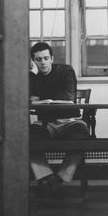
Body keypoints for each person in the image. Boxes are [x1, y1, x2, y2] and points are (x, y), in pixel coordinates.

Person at [29, 41, 89, 197]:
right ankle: (47, 177)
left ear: (52, 58)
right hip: (45, 124)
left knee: (82, 135)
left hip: (70, 121)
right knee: (25, 138)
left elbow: (69, 98)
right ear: (33, 61)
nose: (43, 62)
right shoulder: (34, 78)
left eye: (46, 58)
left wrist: (41, 99)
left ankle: (60, 179)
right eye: (38, 59)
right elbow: (26, 99)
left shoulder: (65, 71)